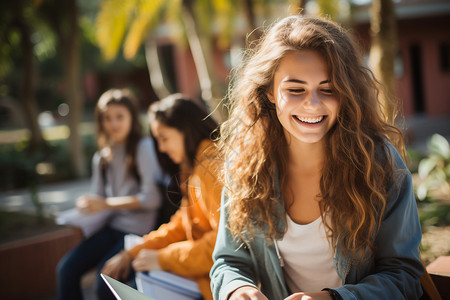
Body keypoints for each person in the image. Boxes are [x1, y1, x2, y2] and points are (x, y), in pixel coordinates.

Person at [210, 15, 424, 300]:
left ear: (347, 92)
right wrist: (238, 290)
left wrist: (333, 298)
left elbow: (404, 276)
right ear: (270, 93)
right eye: (295, 90)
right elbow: (228, 262)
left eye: (328, 89)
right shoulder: (246, 166)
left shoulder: (381, 164)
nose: (312, 104)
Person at [102, 94, 222, 300]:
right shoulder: (197, 166)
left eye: (164, 138)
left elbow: (223, 243)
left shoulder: (210, 169)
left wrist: (162, 259)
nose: (161, 148)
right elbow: (181, 223)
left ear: (185, 130)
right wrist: (133, 252)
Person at [57, 88, 165, 300]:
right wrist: (84, 209)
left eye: (119, 117)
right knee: (65, 271)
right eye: (107, 118)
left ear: (131, 118)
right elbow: (98, 200)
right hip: (111, 228)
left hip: (139, 233)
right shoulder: (102, 157)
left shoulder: (144, 147)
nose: (113, 124)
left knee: (104, 283)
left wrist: (105, 204)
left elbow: (152, 199)